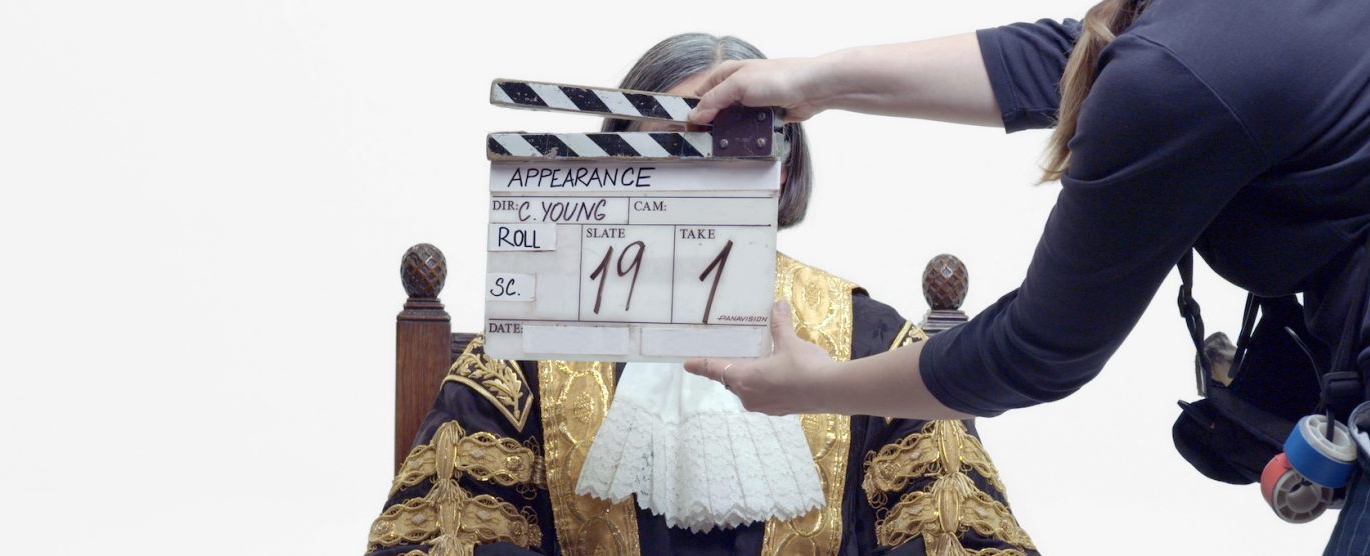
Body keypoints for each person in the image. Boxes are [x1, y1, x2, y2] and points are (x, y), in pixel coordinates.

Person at [681, 1, 1370, 554]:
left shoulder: (1178, 71)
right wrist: (812, 80)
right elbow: (1074, 61)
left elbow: (1034, 352)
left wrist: (818, 386)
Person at [363, 33, 1038, 556]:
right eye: (666, 151)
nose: (694, 180)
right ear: (614, 167)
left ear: (781, 171)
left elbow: (952, 531)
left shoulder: (871, 345)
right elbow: (447, 531)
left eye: (725, 151)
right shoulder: (525, 352)